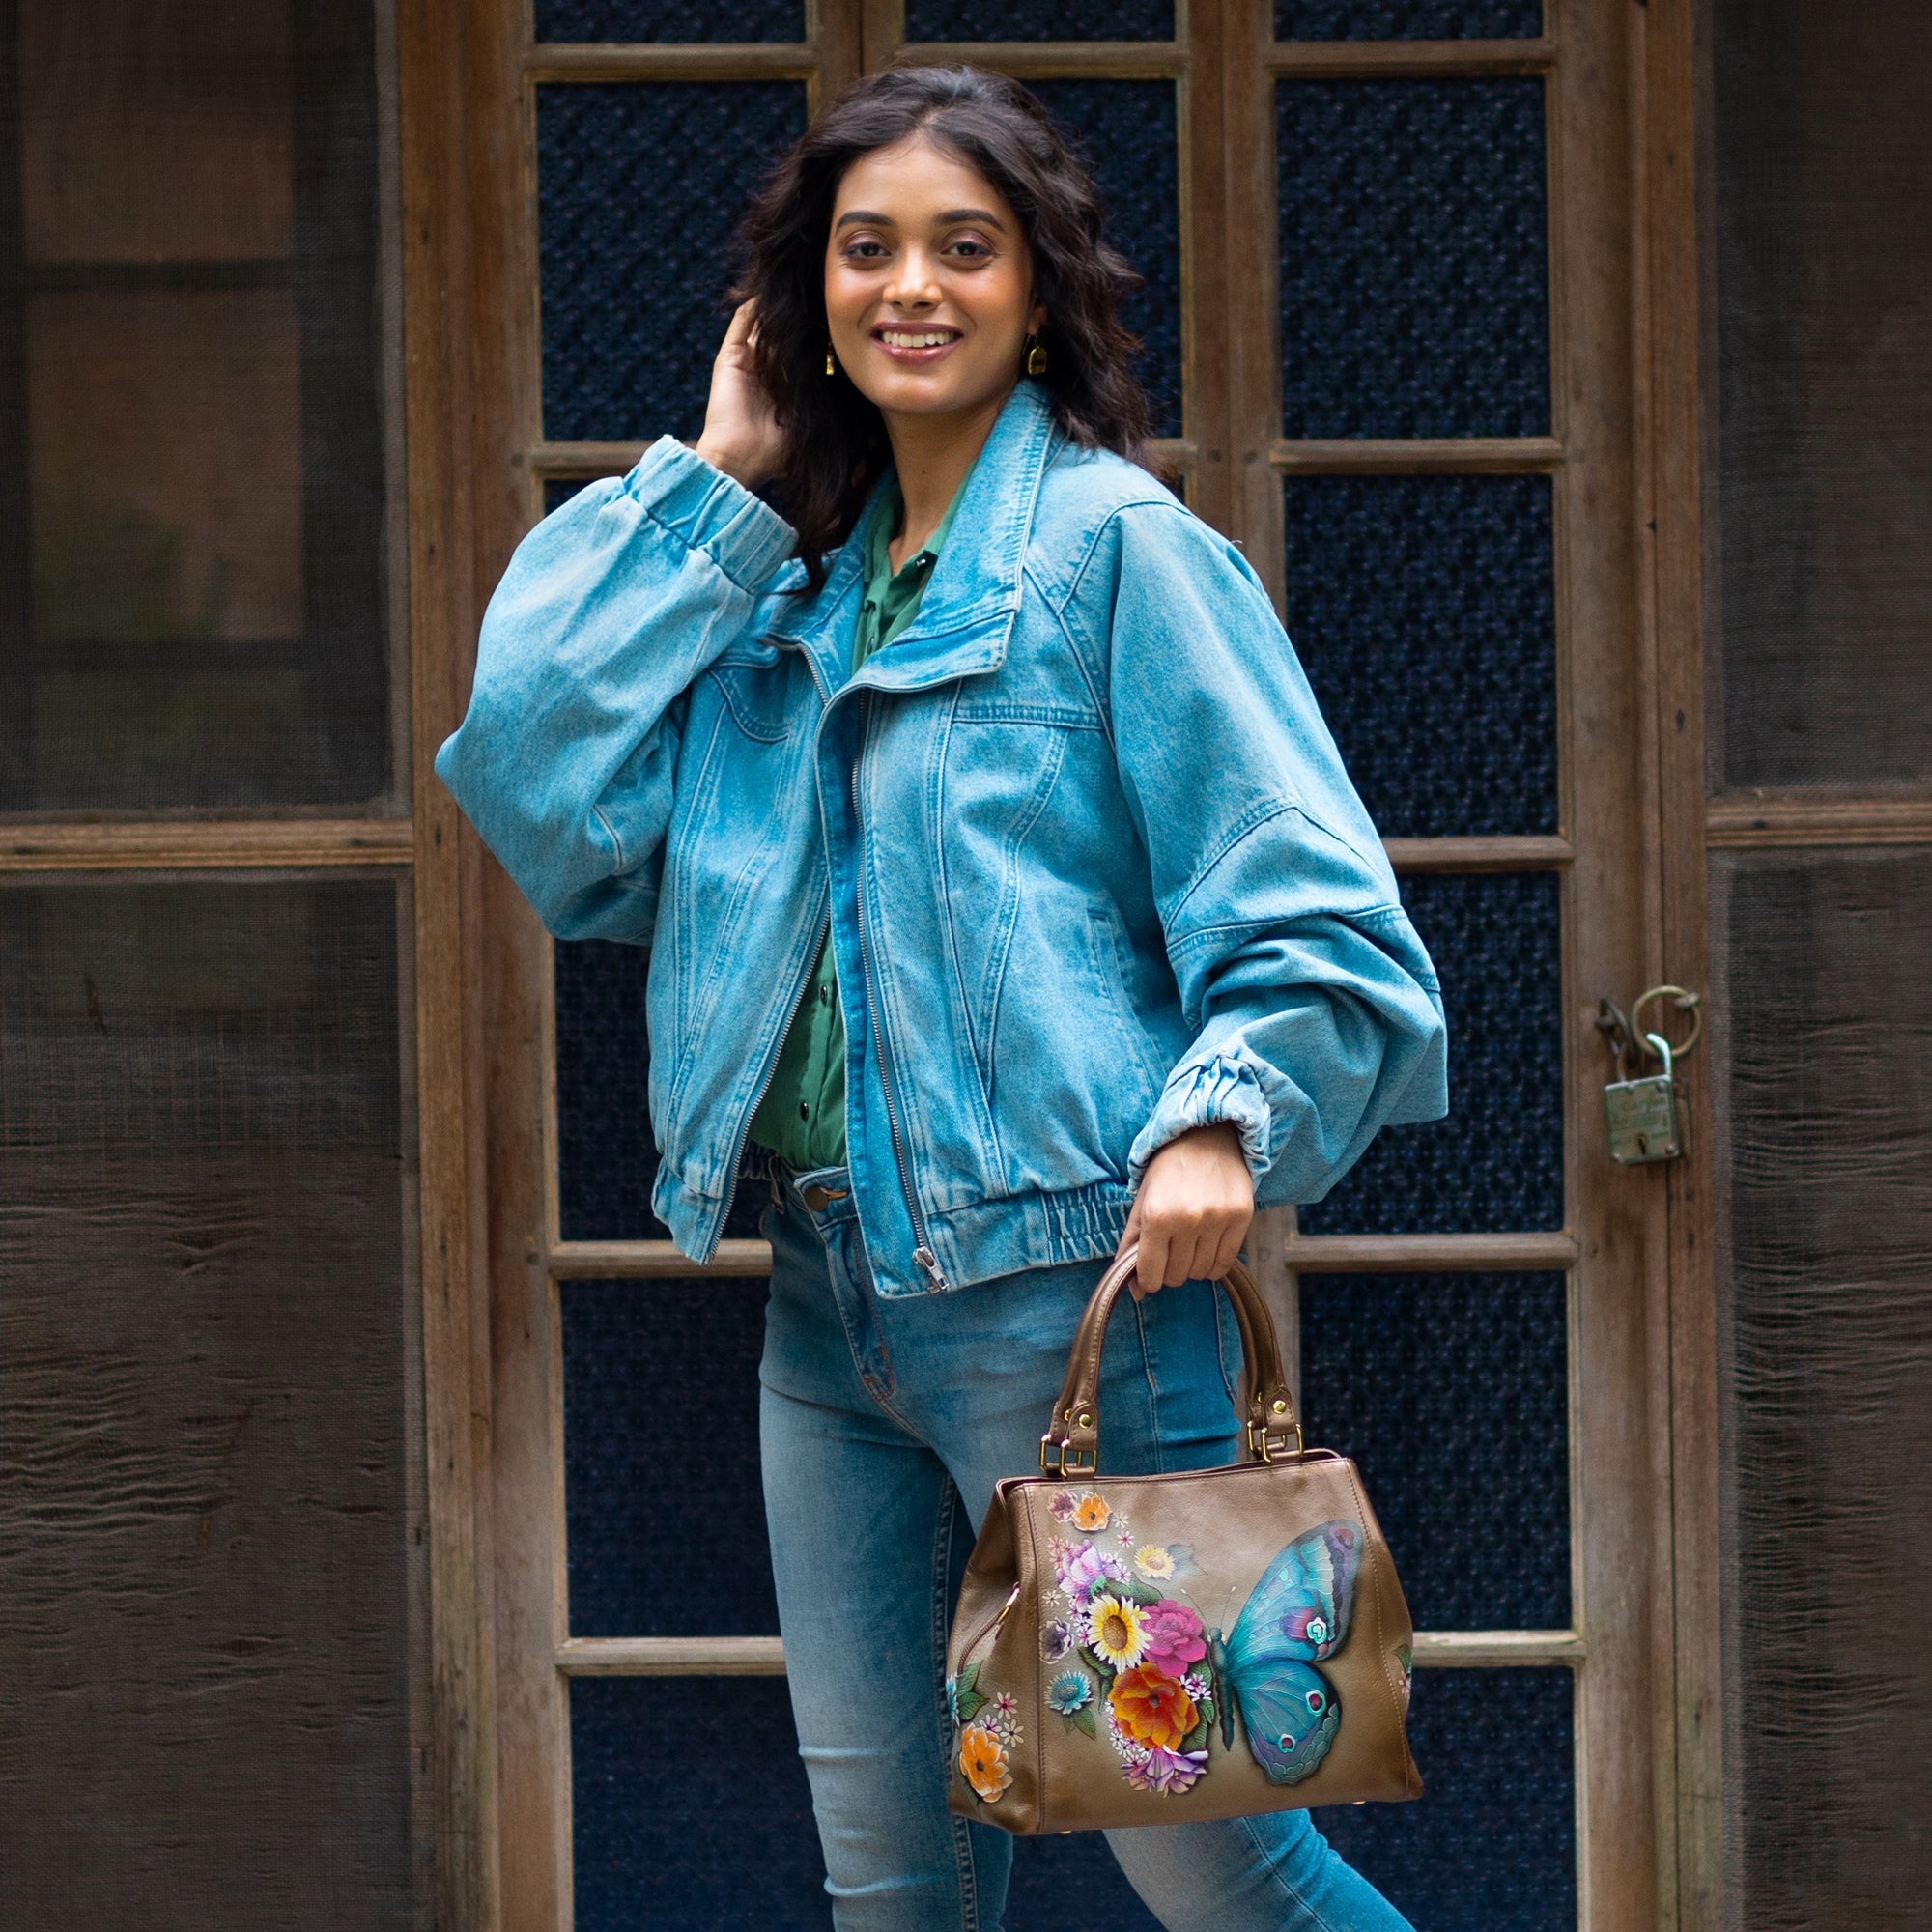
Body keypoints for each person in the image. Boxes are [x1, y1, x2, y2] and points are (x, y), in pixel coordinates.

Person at [439, 63, 1446, 1932]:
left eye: (965, 249)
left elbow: (1316, 906)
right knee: (890, 1883)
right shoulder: (782, 607)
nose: (913, 286)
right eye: (868, 248)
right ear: (804, 297)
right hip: (827, 1322)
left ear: (1038, 291)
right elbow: (531, 781)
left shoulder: (1119, 553)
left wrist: (1226, 1111)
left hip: (1074, 1308)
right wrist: (719, 482)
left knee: (1215, 1858)